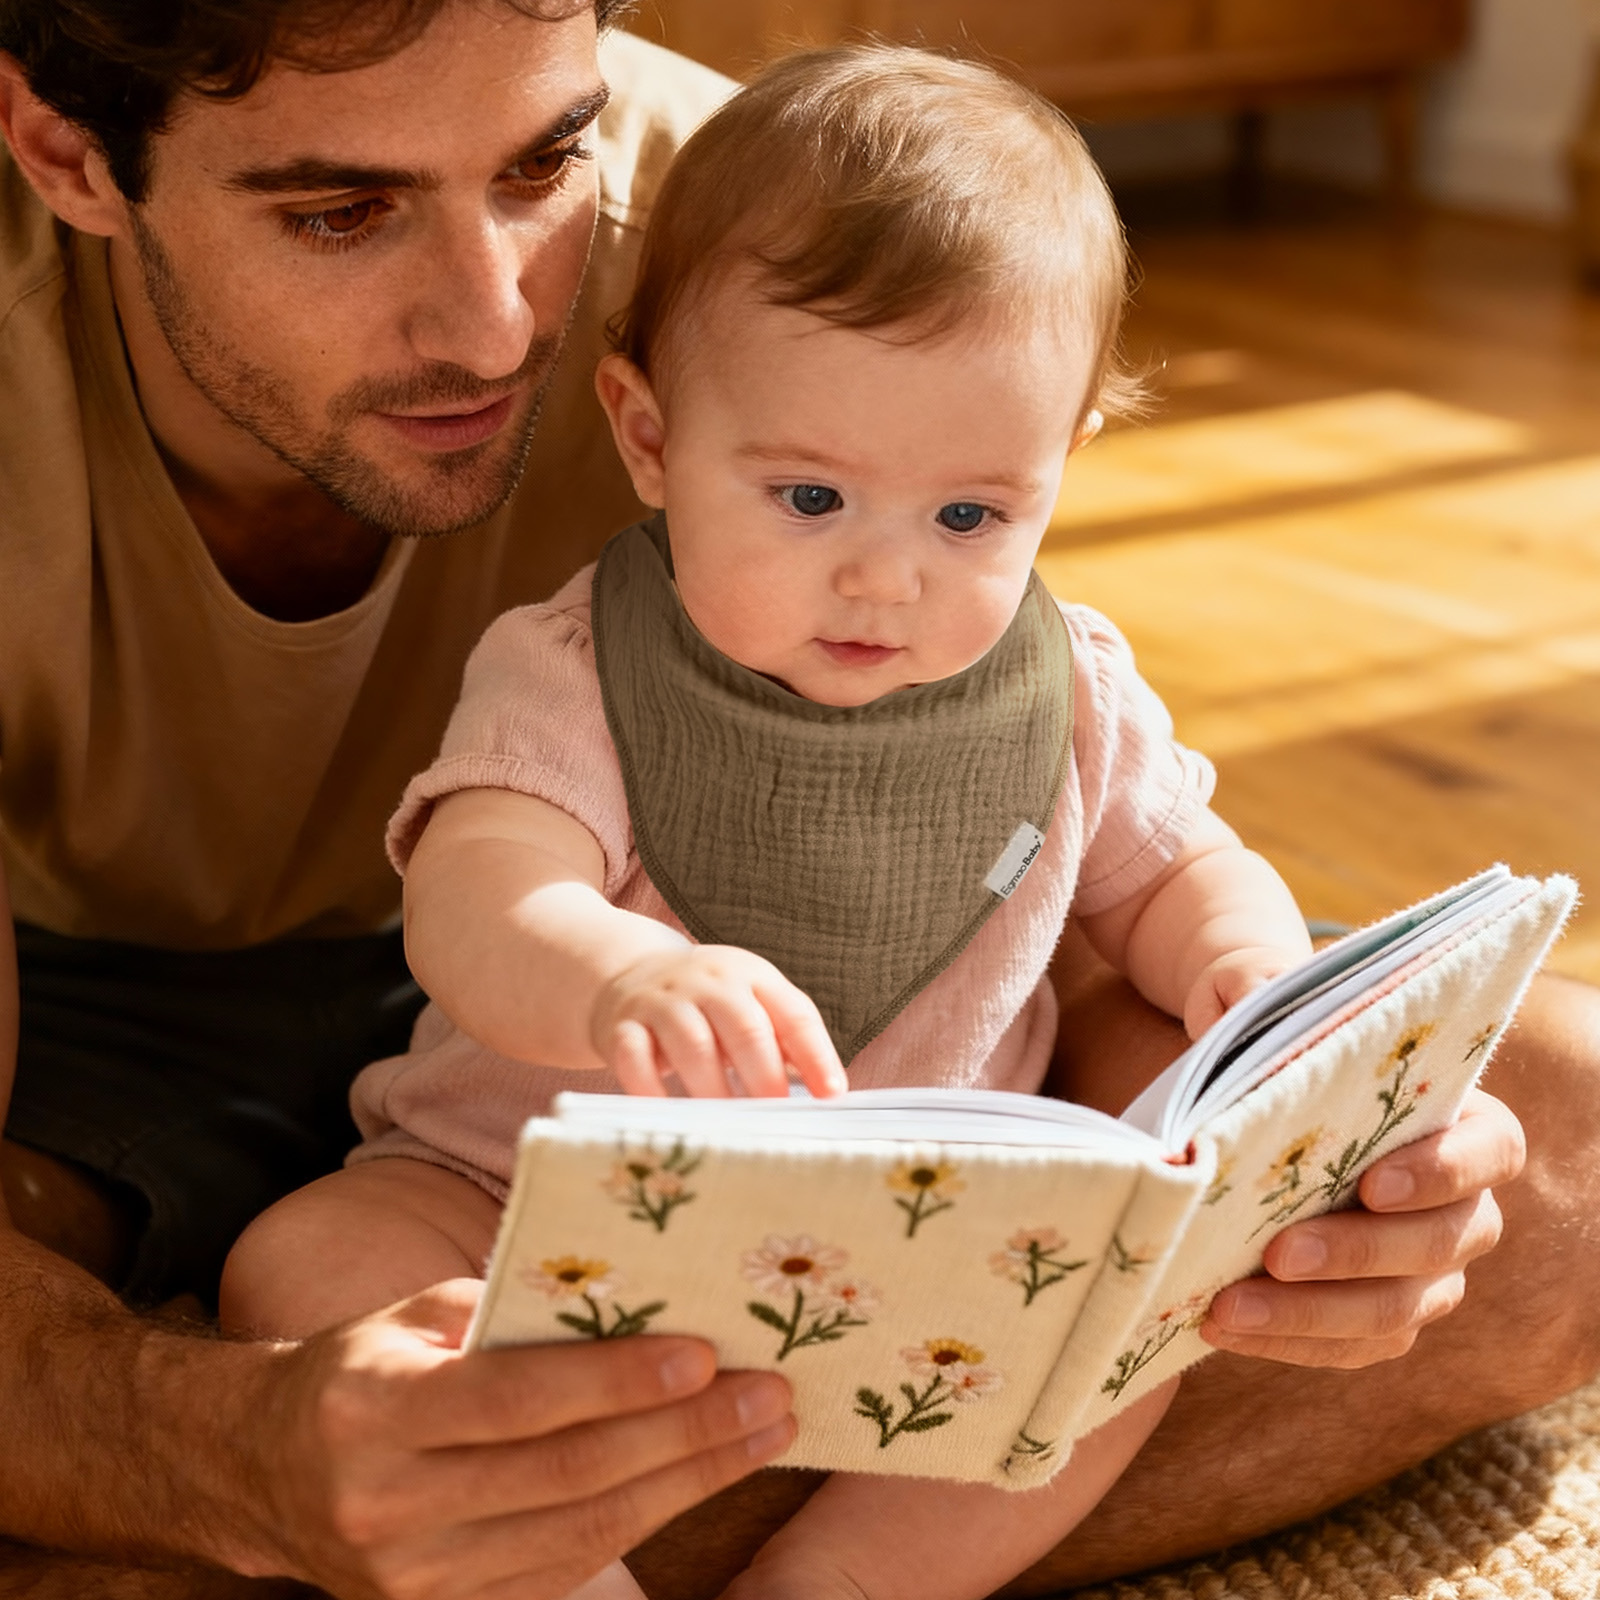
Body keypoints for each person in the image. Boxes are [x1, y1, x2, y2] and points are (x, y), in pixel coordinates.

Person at [0, 0, 1591, 1596]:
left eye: (548, 160)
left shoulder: (803, 232)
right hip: (327, 1081)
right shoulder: (588, 624)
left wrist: (1267, 1095)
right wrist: (204, 1442)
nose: (498, 329)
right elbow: (485, 894)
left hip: (900, 1185)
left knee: (1549, 1151)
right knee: (297, 1289)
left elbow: (1122, 868)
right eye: (336, 211)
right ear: (66, 152)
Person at [218, 45, 1321, 1600]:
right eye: (810, 501)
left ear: (1060, 470)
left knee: (1131, 1334)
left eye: (970, 516)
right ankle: (557, 1577)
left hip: (931, 1240)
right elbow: (473, 891)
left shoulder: (1067, 689)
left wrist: (1247, 968)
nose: (888, 577)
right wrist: (613, 977)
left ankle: (848, 1584)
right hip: (517, 1206)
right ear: (652, 437)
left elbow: (1177, 869)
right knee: (309, 1266)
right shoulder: (583, 662)